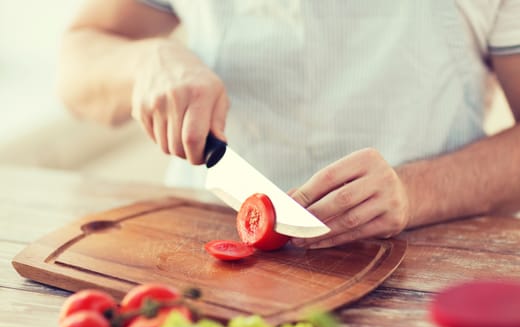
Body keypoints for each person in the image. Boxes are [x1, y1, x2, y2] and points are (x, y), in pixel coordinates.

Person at [58, 0, 520, 249]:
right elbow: (76, 65)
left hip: (422, 257)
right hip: (205, 243)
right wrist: (144, 62)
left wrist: (417, 191)